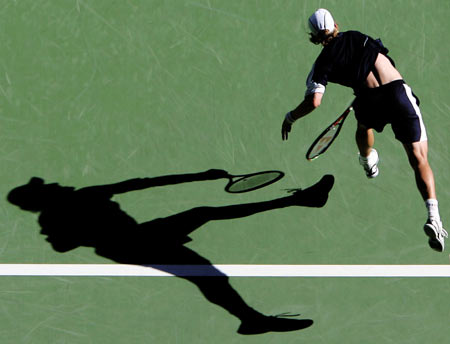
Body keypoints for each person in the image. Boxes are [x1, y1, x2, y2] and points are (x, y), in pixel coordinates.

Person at [281, 8, 447, 252]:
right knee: (418, 158)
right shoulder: (358, 36)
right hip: (397, 92)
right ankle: (434, 218)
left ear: (314, 37)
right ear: (335, 24)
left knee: (363, 126)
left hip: (369, 100)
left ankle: (368, 160)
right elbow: (385, 61)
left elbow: (314, 101)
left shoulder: (321, 63)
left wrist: (290, 117)